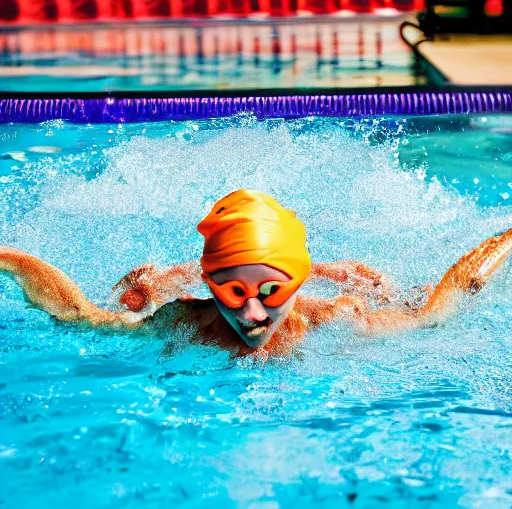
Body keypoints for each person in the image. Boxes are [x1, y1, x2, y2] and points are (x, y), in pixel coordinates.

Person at [1, 189, 511, 359]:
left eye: (273, 292)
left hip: (331, 277)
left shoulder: (334, 317)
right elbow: (76, 313)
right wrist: (11, 257)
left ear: (298, 283)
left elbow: (436, 311)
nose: (252, 313)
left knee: (385, 290)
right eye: (231, 291)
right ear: (208, 286)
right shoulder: (183, 322)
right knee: (140, 297)